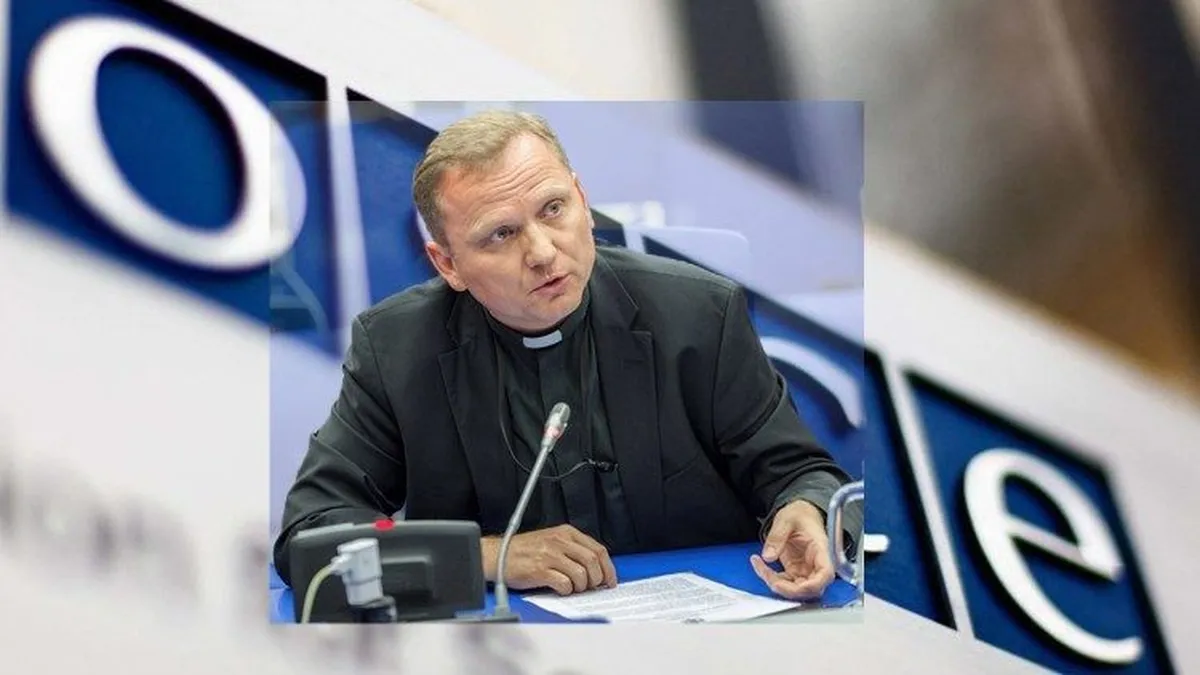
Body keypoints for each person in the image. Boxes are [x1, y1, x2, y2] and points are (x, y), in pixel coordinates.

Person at [273, 110, 863, 601]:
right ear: (448, 264)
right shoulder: (397, 349)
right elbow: (311, 538)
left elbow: (804, 475)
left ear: (582, 198)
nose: (542, 252)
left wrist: (808, 513)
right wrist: (487, 557)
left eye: (553, 209)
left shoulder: (699, 314)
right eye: (500, 234)